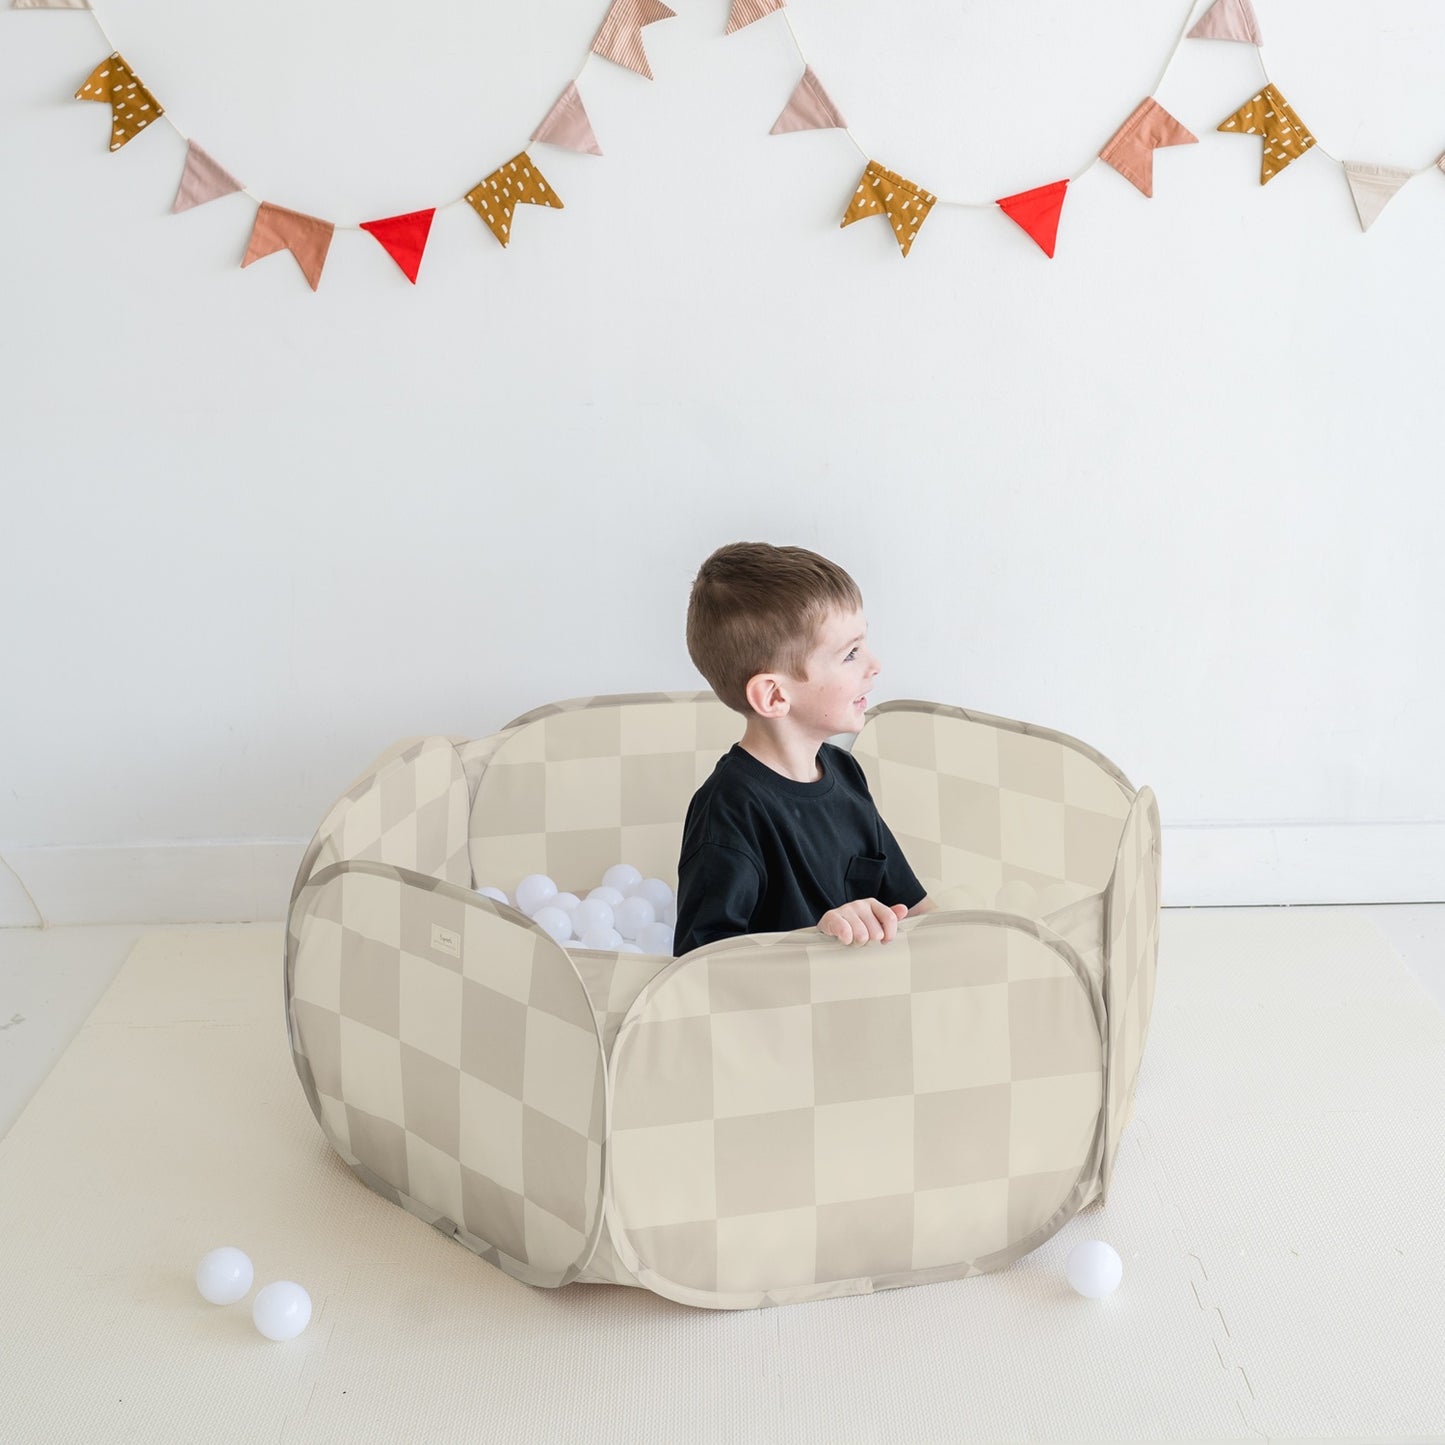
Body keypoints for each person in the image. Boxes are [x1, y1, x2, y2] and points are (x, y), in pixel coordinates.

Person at [672, 541, 937, 956]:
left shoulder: (845, 774)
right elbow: (698, 968)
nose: (875, 664)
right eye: (850, 654)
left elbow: (918, 908)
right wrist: (815, 938)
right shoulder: (729, 811)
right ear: (775, 696)